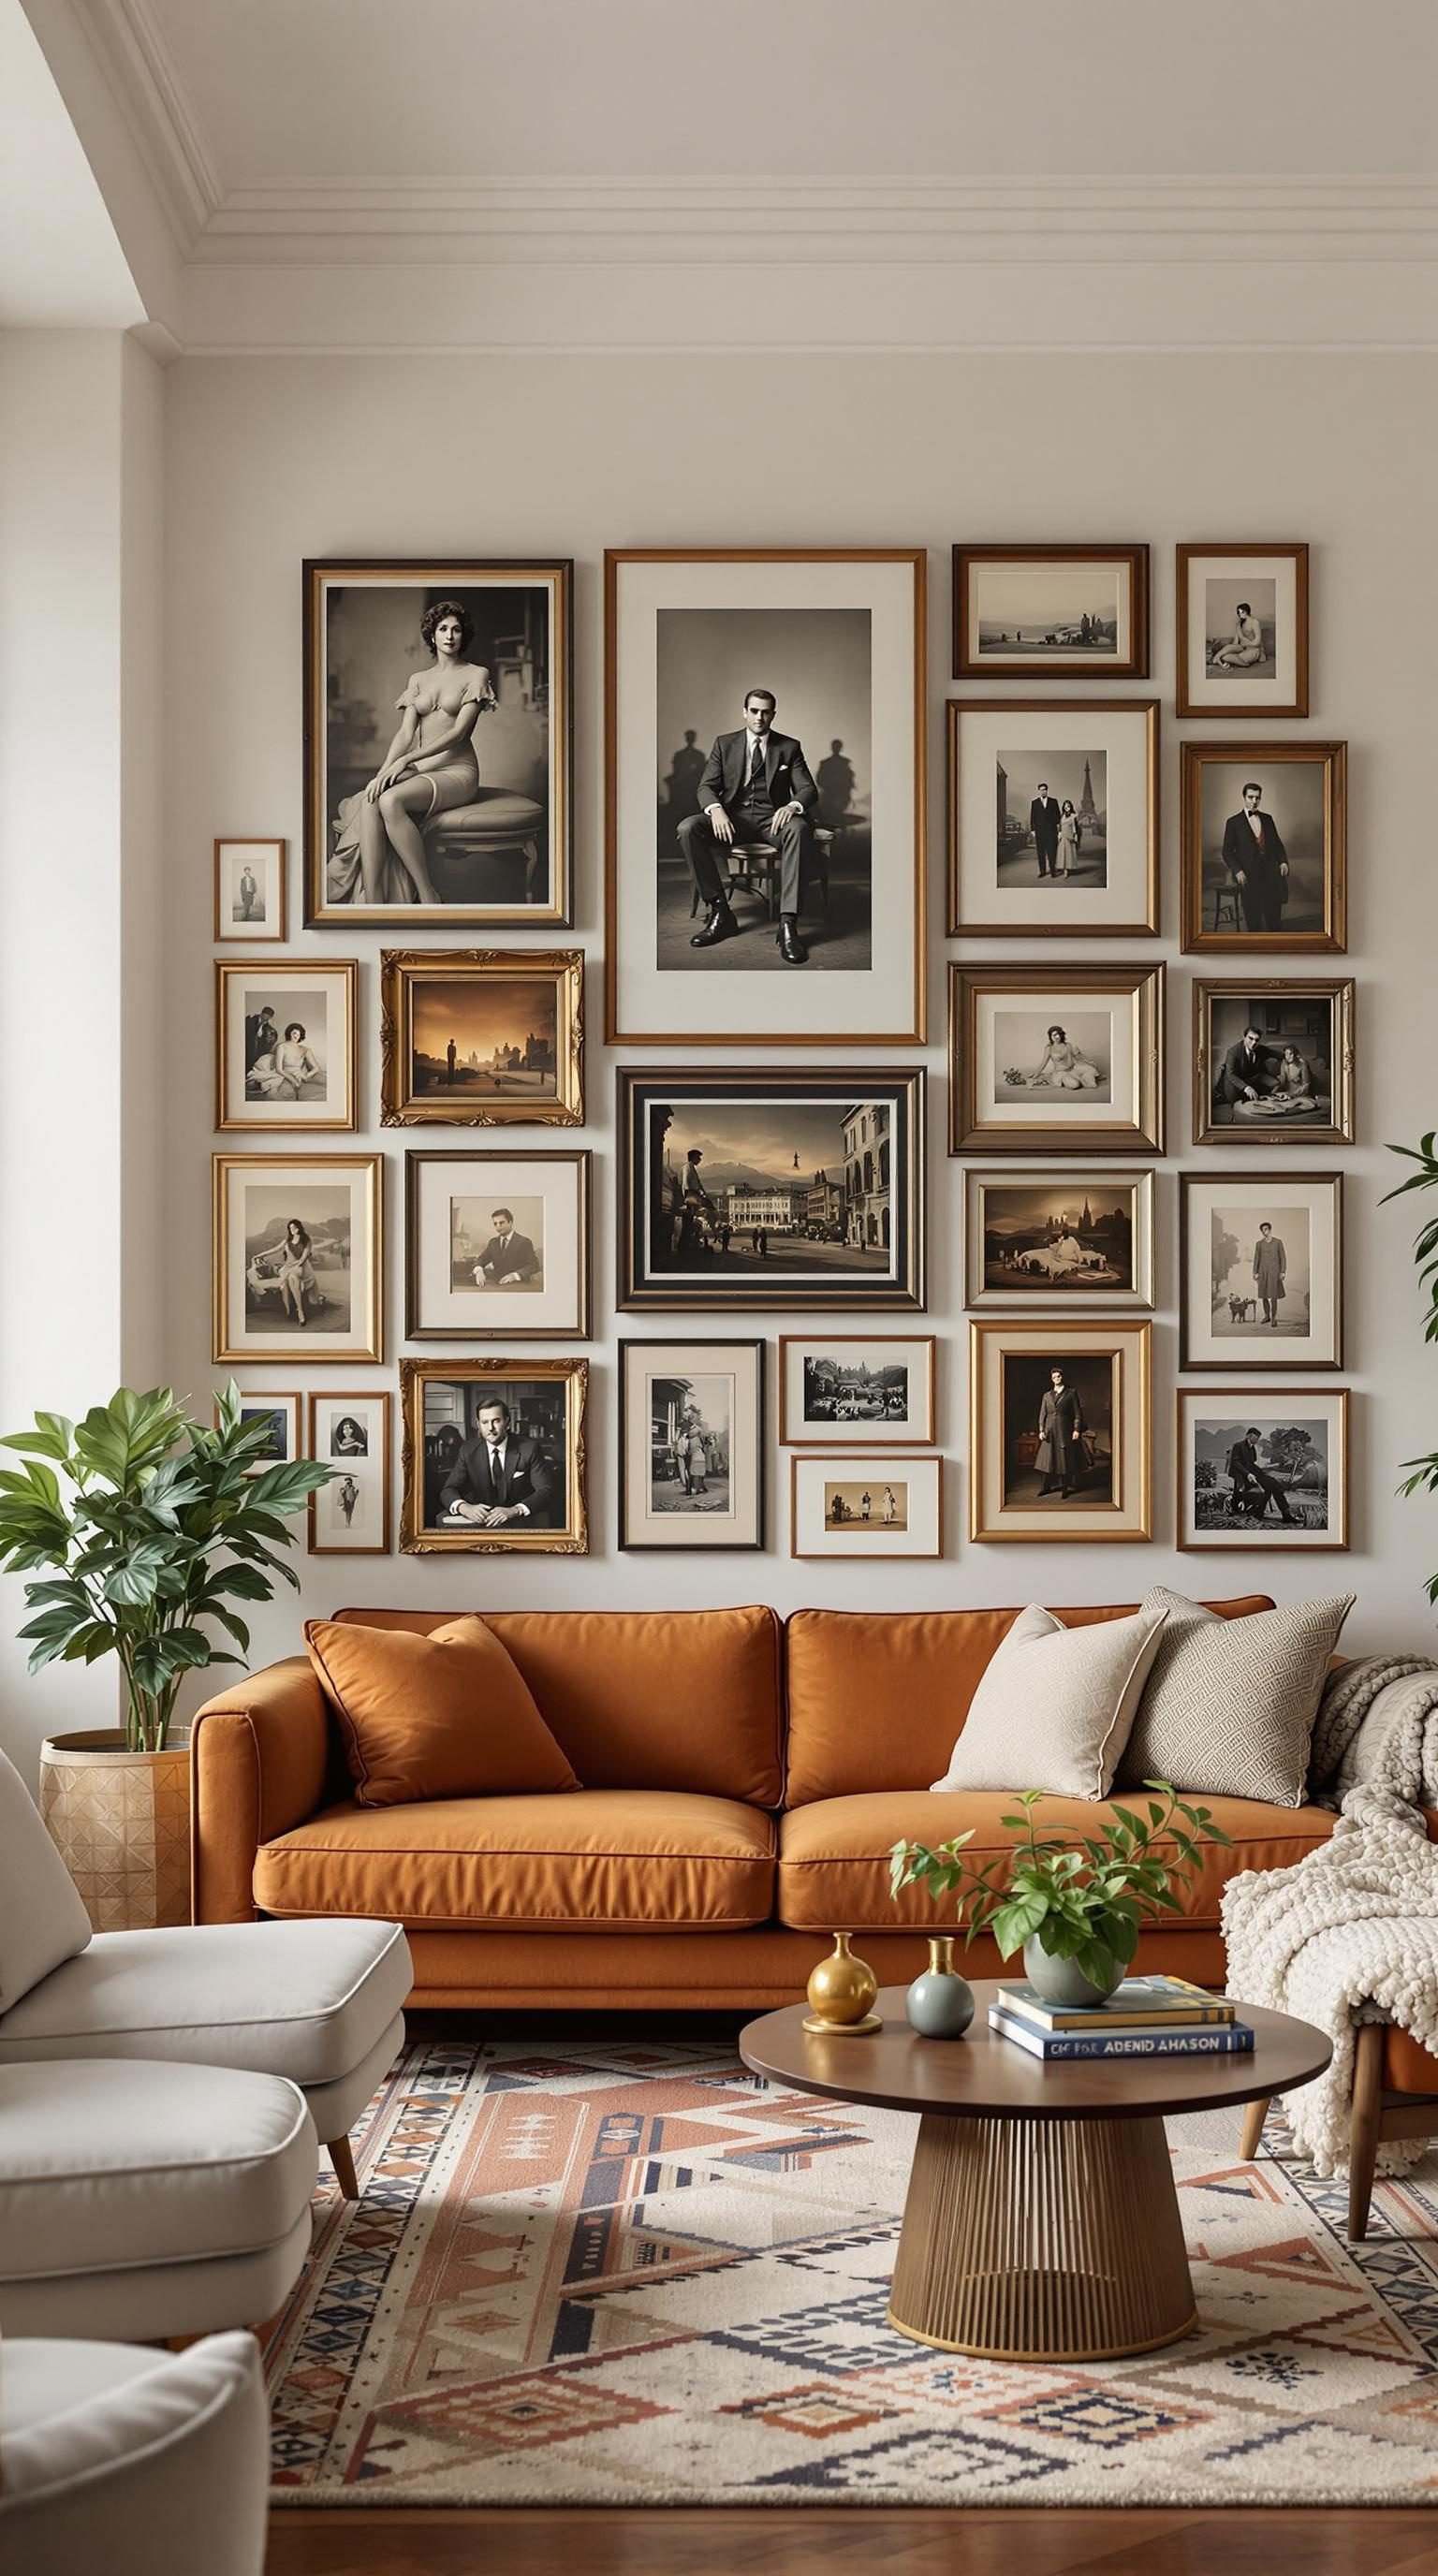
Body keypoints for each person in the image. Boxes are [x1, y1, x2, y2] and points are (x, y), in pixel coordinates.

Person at [327, 599, 497, 907]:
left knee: (391, 800)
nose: (449, 635)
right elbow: (406, 733)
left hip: (457, 772)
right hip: (422, 770)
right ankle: (374, 897)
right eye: (443, 629)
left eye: (456, 630)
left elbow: (459, 733)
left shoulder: (477, 675)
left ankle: (428, 893)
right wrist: (384, 770)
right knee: (372, 796)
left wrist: (406, 760)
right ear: (432, 636)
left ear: (463, 636)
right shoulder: (418, 679)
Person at [678, 689, 819, 965]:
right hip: (734, 820)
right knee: (688, 828)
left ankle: (788, 924)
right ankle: (720, 912)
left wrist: (791, 807)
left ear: (773, 715)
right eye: (754, 711)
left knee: (799, 829)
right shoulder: (724, 744)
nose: (759, 717)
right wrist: (716, 809)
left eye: (766, 712)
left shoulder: (789, 747)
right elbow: (707, 786)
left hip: (772, 820)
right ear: (745, 712)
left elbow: (807, 789)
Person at [439, 1397, 555, 1530]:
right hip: (482, 1520)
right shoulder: (468, 1450)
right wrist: (464, 1507)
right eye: (485, 1422)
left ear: (507, 1422)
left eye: (496, 1421)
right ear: (478, 1425)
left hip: (518, 1521)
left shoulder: (529, 1448)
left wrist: (515, 1510)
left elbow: (546, 1491)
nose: (490, 1428)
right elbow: (448, 1489)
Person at [1221, 782, 1289, 934]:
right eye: (1250, 797)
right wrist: (1237, 871)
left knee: (1274, 921)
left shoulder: (1268, 819)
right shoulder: (1233, 822)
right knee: (1253, 921)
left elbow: (1277, 844)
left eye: (1257, 798)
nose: (1254, 801)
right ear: (1244, 797)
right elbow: (1227, 851)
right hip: (1249, 877)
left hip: (1271, 877)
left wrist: (1283, 861)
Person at [1035, 1364, 1086, 1499]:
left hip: (1064, 1430)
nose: (1057, 1378)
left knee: (1063, 1460)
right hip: (1049, 1431)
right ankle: (1045, 1487)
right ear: (1052, 1379)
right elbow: (1042, 1414)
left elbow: (1077, 1413)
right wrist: (1041, 1430)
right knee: (1047, 1460)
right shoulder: (1046, 1395)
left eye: (1058, 1376)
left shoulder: (1071, 1393)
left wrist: (1076, 1430)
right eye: (1054, 1377)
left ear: (1062, 1377)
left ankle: (1065, 1488)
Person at [1225, 1427, 1294, 1524]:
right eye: (1256, 1437)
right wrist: (1248, 1474)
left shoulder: (1252, 1448)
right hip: (1240, 1474)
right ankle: (1257, 1513)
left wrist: (1262, 1473)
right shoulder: (1238, 1446)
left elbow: (1252, 1464)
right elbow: (1236, 1462)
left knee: (1273, 1484)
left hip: (1252, 1473)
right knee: (1243, 1494)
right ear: (1249, 1436)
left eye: (1258, 1438)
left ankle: (1286, 1514)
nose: (1257, 1440)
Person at [251, 1021, 320, 1103]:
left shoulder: (305, 1049)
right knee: (279, 1095)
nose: (296, 1036)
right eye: (294, 1033)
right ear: (289, 1033)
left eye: (298, 1034)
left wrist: (306, 1076)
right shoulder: (282, 1046)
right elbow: (279, 1069)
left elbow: (316, 1068)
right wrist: (292, 1080)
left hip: (299, 1076)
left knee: (318, 1092)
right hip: (284, 1076)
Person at [474, 1207, 540, 1287]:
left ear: (510, 1222)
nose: (498, 1226)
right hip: (498, 1286)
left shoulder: (524, 1242)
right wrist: (479, 1270)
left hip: (519, 1286)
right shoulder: (493, 1243)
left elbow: (534, 1266)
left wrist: (515, 1275)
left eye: (501, 1223)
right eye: (495, 1223)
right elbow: (481, 1259)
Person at [1027, 1024, 1102, 1090]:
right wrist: (1034, 1077)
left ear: (1061, 1035)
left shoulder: (1069, 1045)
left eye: (1057, 1034)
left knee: (1091, 1070)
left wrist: (1089, 1062)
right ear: (1050, 1036)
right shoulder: (1049, 1048)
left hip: (1074, 1069)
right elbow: (1043, 1064)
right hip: (1061, 1073)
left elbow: (1080, 1056)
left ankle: (1085, 1079)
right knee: (1074, 1085)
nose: (1055, 1037)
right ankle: (1081, 1079)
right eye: (1053, 1035)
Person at [1217, 1022, 1271, 1108]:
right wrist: (1246, 1088)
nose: (1254, 1043)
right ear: (1244, 1037)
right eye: (1251, 1038)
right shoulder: (1232, 1052)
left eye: (1257, 1040)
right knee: (1239, 1107)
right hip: (1233, 1084)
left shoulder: (1260, 1049)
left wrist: (1292, 1059)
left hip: (1248, 1080)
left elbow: (1278, 1054)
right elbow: (1231, 1075)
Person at [677, 1149, 717, 1262]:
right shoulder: (687, 1168)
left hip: (693, 1196)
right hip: (690, 1196)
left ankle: (685, 1249)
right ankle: (683, 1250)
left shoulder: (691, 1168)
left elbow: (698, 1185)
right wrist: (690, 1199)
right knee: (687, 1225)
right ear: (693, 1157)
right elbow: (686, 1184)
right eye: (698, 1157)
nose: (700, 1160)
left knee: (689, 1225)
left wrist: (703, 1195)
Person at [275, 1219, 317, 1326]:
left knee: (292, 1277)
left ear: (299, 1227)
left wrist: (293, 1266)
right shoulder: (288, 1240)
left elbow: (303, 1258)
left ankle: (300, 1312)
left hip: (301, 1267)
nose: (292, 1230)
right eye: (290, 1228)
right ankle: (297, 1311)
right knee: (289, 1279)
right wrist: (259, 1255)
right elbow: (274, 1249)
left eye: (294, 1227)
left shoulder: (306, 1240)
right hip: (288, 1268)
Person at [1211, 602, 1263, 671]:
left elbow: (1257, 642)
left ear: (1247, 611)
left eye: (1242, 612)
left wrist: (1246, 644)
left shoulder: (1255, 622)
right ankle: (1216, 658)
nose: (1240, 614)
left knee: (1226, 657)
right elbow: (1236, 642)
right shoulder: (1239, 624)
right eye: (1239, 613)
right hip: (1242, 648)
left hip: (1253, 649)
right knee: (1228, 648)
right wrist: (1231, 649)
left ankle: (1244, 664)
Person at [1253, 1220, 1286, 1326]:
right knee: (1264, 1295)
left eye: (1266, 1229)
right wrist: (1255, 1272)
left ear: (1270, 1230)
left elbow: (1283, 1258)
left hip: (1274, 1273)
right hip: (1263, 1273)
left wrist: (1282, 1271)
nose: (1264, 1232)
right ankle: (1267, 1316)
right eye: (1262, 1230)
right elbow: (1256, 1259)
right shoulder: (1259, 1244)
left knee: (1274, 1296)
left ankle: (1274, 1318)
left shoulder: (1278, 1242)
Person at [1269, 1044, 1317, 1113]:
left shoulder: (1302, 1064)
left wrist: (1293, 1095)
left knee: (1309, 1105)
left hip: (1302, 1094)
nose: (1288, 1057)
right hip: (1288, 1094)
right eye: (1286, 1054)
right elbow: (1282, 1081)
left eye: (1290, 1054)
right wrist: (1273, 1092)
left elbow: (1306, 1084)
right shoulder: (1284, 1063)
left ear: (1295, 1054)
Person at [1029, 783, 1062, 881]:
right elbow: (1032, 817)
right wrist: (1033, 830)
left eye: (1045, 790)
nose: (1043, 791)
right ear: (1039, 791)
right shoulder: (1034, 802)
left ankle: (1053, 871)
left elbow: (1058, 816)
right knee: (1041, 852)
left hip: (1051, 831)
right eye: (1041, 790)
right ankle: (1042, 871)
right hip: (1039, 832)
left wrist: (1057, 828)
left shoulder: (1053, 801)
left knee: (1052, 851)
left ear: (1047, 791)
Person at [244, 1003, 278, 1072]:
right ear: (262, 1013)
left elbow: (268, 1042)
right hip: (246, 1048)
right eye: (265, 1016)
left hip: (256, 1054)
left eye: (268, 1017)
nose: (266, 1019)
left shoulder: (268, 1028)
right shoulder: (249, 1021)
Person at [1056, 798, 1081, 879]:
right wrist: (1059, 833)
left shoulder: (1073, 816)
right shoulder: (1062, 816)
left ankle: (1069, 868)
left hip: (1070, 836)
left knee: (1069, 853)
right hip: (1063, 836)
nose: (1067, 807)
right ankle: (1065, 869)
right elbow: (1060, 826)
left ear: (1071, 807)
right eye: (1065, 806)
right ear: (1063, 807)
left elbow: (1074, 827)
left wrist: (1075, 835)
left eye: (1068, 806)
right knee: (1062, 852)